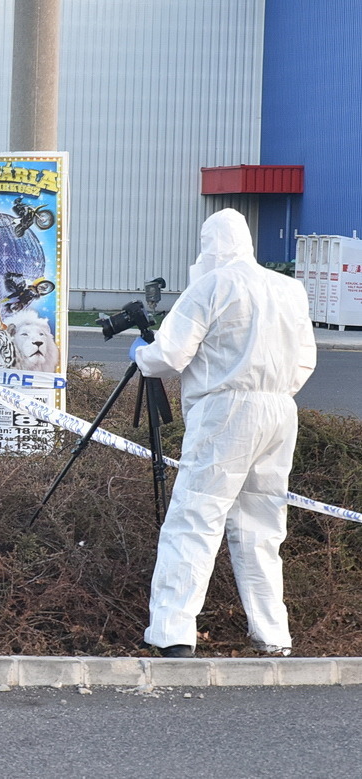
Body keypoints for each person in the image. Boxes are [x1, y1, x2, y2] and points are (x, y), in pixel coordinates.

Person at [130, 208, 316, 659]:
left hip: (226, 410)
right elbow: (307, 359)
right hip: (279, 412)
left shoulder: (212, 285)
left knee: (195, 518)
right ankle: (274, 635)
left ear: (209, 245)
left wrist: (142, 355)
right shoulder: (289, 289)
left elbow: (170, 356)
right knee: (263, 526)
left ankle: (173, 632)